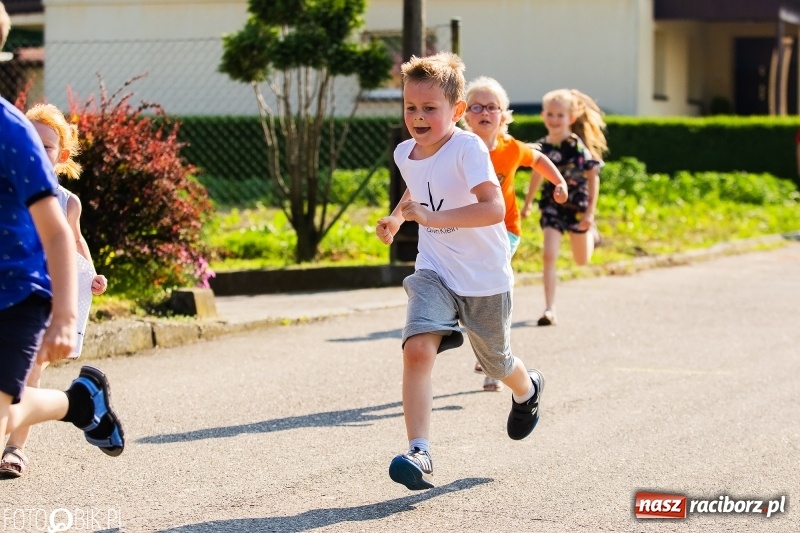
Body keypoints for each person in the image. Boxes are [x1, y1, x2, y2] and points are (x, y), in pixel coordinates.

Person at [376, 52, 556, 491]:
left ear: (456, 112)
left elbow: (494, 209)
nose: (417, 117)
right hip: (435, 268)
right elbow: (415, 193)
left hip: (483, 276)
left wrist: (430, 218)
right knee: (417, 349)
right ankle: (419, 451)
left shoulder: (469, 147)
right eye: (410, 108)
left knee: (496, 362)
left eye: (429, 109)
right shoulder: (405, 152)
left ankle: (527, 388)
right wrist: (399, 218)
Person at [0, 1, 124, 480]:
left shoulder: (12, 135)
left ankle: (72, 404)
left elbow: (59, 232)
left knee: (11, 406)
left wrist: (66, 316)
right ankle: (80, 402)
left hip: (16, 295)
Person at [0, 103, 109, 477]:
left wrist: (89, 278)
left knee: (29, 376)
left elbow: (73, 242)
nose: (35, 148)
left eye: (45, 145)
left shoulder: (66, 201)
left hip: (38, 295)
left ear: (61, 156)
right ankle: (77, 403)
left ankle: (15, 449)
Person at [462, 76, 567, 392]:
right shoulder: (458, 148)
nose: (484, 112)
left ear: (503, 116)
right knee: (471, 293)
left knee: (489, 288)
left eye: (491, 107)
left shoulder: (511, 149)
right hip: (469, 233)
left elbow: (539, 159)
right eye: (476, 106)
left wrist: (558, 182)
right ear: (465, 115)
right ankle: (488, 349)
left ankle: (494, 360)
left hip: (505, 230)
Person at [520, 88, 608, 326]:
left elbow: (593, 175)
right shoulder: (541, 148)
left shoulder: (575, 145)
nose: (554, 119)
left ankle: (592, 233)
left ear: (570, 118)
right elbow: (536, 177)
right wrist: (527, 205)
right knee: (549, 256)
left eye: (560, 115)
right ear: (542, 115)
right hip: (552, 206)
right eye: (550, 114)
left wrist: (590, 212)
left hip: (577, 206)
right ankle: (549, 309)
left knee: (581, 261)